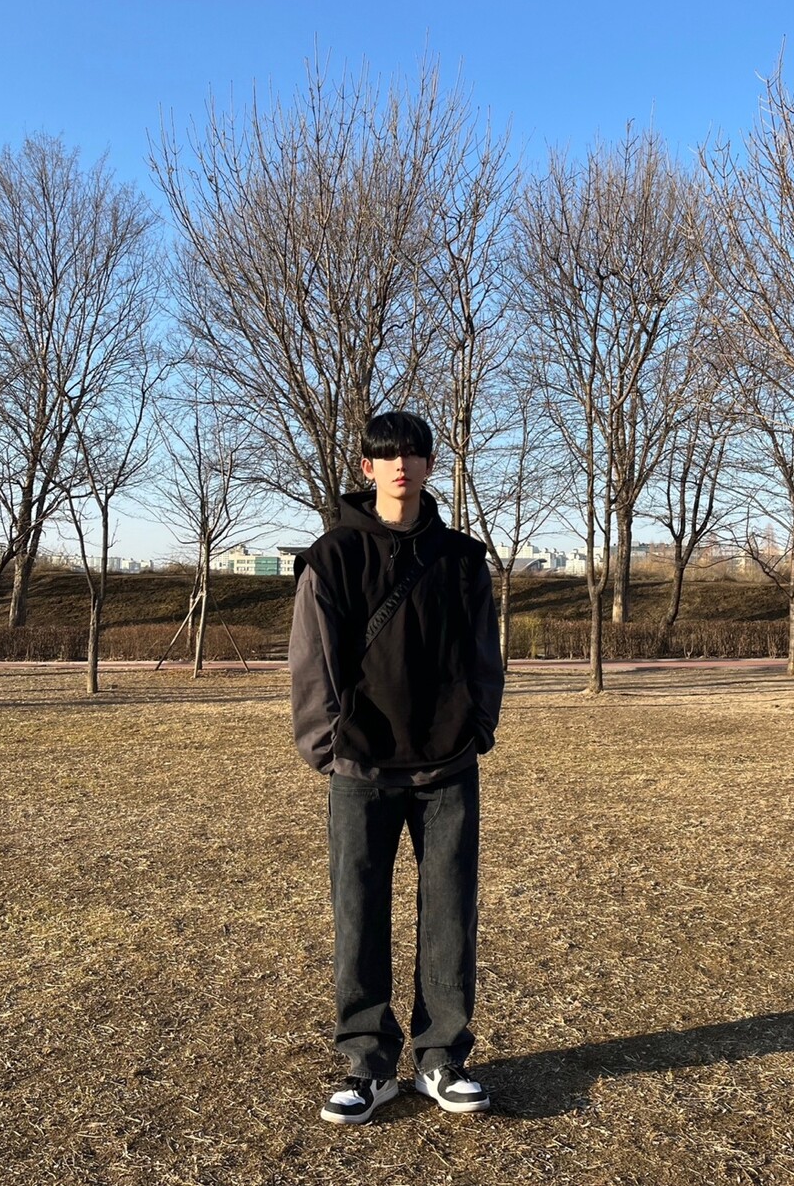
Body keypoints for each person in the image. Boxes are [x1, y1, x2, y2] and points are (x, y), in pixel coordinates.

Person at [289, 410, 505, 1126]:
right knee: (359, 912)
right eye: (387, 454)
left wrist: (478, 726)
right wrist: (328, 746)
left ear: (429, 465)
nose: (401, 465)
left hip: (447, 764)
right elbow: (310, 659)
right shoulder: (333, 556)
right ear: (367, 467)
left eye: (413, 453)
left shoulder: (462, 558)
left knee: (450, 912)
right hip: (362, 767)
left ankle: (442, 1057)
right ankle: (368, 1062)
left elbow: (484, 651)